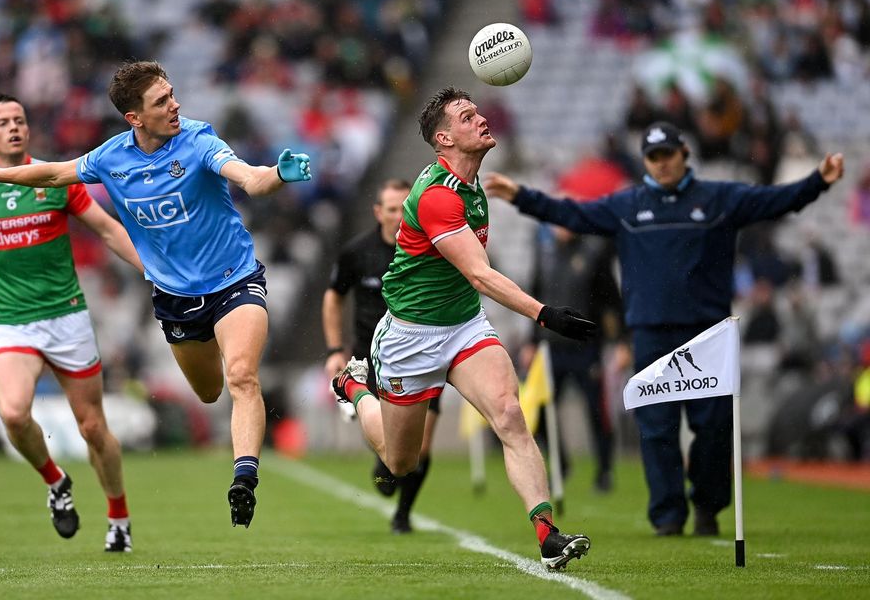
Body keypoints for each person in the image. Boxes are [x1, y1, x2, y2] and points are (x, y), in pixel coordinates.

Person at [0, 61, 312, 530]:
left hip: (234, 280)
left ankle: (244, 477)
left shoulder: (199, 140)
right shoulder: (111, 158)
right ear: (134, 118)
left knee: (242, 376)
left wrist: (277, 175)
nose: (175, 104)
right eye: (161, 101)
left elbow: (249, 178)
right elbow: (56, 174)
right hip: (177, 299)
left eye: (173, 93)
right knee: (209, 391)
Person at [485, 121, 845, 537]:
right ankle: (668, 517)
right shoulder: (627, 206)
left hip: (708, 334)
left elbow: (775, 201)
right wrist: (522, 198)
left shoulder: (718, 199)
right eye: (653, 157)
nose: (662, 164)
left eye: (667, 155)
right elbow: (573, 214)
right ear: (645, 161)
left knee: (712, 429)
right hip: (651, 334)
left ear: (684, 154)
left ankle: (708, 507)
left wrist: (818, 181)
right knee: (656, 429)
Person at [331, 87, 596, 571]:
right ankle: (354, 386)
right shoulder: (436, 197)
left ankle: (547, 534)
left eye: (478, 112)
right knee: (399, 463)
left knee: (511, 417)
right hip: (410, 338)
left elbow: (471, 284)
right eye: (467, 116)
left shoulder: (473, 184)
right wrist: (544, 313)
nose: (481, 120)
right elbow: (479, 273)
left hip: (464, 326)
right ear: (444, 139)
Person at [0, 94, 144, 551]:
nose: (14, 127)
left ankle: (119, 518)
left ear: (28, 130)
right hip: (12, 324)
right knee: (12, 413)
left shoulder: (54, 179)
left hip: (67, 317)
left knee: (93, 427)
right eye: (3, 122)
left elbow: (109, 229)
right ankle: (56, 483)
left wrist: (152, 272)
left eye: (20, 119)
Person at [322, 178, 439, 534]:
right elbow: (333, 296)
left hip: (422, 355)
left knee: (422, 442)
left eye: (405, 207)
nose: (399, 215)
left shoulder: (428, 247)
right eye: (391, 208)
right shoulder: (357, 252)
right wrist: (333, 349)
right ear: (378, 212)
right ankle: (385, 463)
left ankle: (403, 515)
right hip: (369, 359)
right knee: (391, 453)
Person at [525, 222, 622, 493]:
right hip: (550, 348)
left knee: (596, 411)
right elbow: (533, 301)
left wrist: (621, 341)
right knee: (540, 410)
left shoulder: (593, 254)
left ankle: (604, 470)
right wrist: (531, 342)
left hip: (586, 348)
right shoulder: (545, 254)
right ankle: (560, 462)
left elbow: (611, 300)